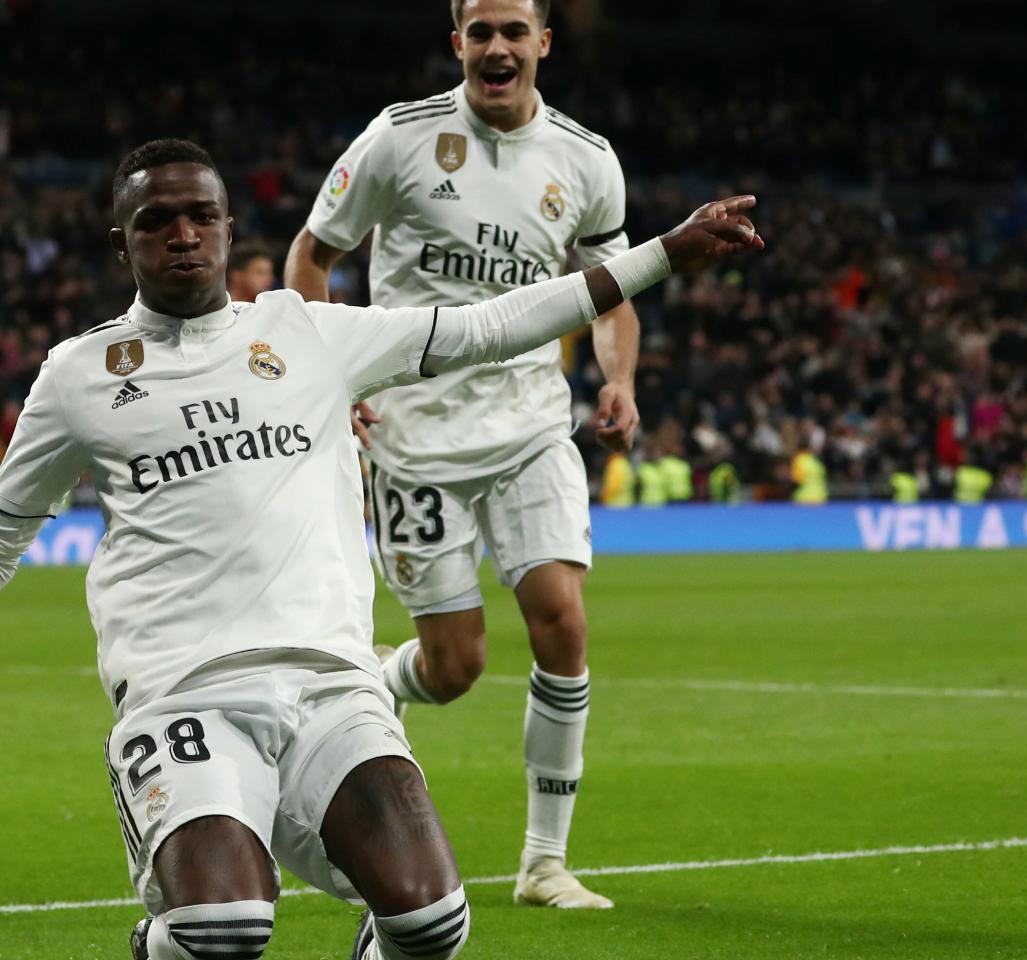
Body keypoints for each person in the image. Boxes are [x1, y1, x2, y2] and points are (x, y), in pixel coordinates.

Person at [0, 138, 760, 960]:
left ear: (229, 229)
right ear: (120, 241)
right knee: (222, 931)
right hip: (182, 691)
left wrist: (659, 253)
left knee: (430, 924)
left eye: (198, 216)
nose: (180, 235)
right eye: (154, 221)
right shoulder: (78, 375)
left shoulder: (309, 333)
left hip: (331, 686)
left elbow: (493, 323)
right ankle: (161, 937)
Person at [284, 0, 642, 908]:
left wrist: (619, 380)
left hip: (530, 425)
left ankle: (543, 863)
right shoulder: (399, 140)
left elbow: (613, 291)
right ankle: (381, 677)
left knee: (561, 619)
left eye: (514, 31)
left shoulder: (588, 159)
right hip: (415, 439)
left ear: (542, 44)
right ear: (457, 46)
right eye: (480, 32)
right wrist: (338, 382)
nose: (497, 48)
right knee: (456, 667)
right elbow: (309, 258)